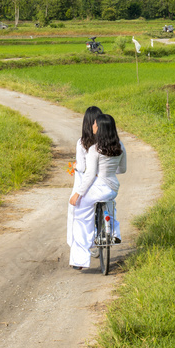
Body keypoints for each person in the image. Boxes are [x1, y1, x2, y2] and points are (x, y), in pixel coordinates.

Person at [67, 113, 127, 269]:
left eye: (95, 124)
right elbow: (123, 169)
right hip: (113, 189)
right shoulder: (120, 146)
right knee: (109, 206)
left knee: (80, 214)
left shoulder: (95, 149)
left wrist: (77, 194)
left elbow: (88, 176)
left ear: (100, 129)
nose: (92, 126)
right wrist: (107, 171)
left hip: (98, 189)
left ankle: (80, 258)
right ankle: (113, 234)